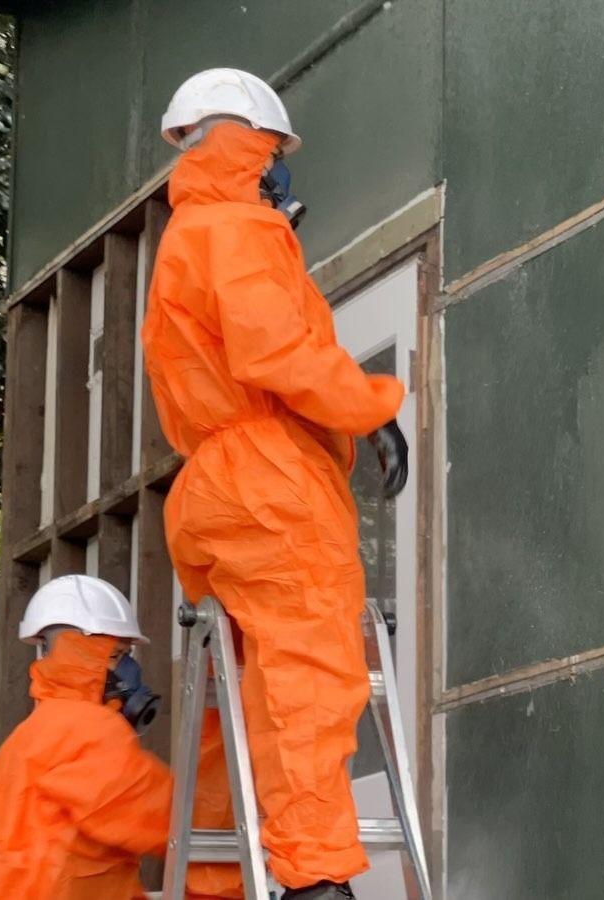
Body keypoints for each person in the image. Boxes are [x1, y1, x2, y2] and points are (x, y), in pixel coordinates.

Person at [142, 68, 409, 900]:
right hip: (267, 478)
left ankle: (219, 882)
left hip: (209, 488)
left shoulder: (187, 239)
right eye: (276, 155)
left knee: (233, 697)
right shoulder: (237, 230)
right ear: (252, 149)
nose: (283, 173)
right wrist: (369, 408)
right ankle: (315, 874)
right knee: (308, 667)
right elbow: (275, 349)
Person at [0, 574, 172, 899]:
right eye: (115, 655)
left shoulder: (29, 733)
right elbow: (162, 818)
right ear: (77, 650)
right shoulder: (89, 728)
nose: (127, 670)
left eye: (126, 655)